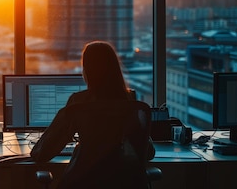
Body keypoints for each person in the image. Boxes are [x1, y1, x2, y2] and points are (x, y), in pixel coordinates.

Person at [30, 41, 155, 188]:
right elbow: (148, 152)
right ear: (115, 69)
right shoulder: (130, 104)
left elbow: (42, 153)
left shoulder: (79, 103)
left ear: (87, 70)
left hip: (83, 183)